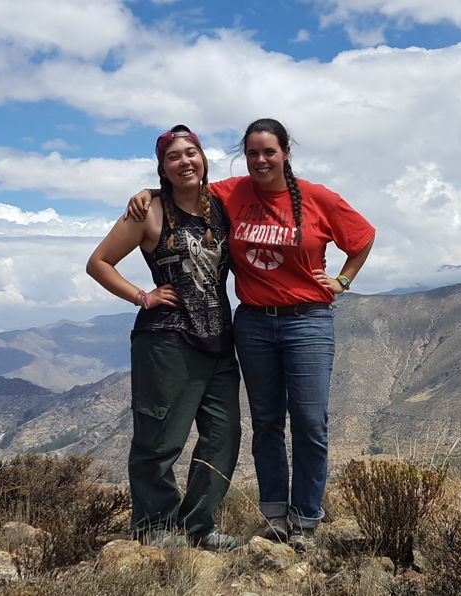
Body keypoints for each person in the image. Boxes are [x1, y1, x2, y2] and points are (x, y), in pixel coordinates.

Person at [126, 118, 375, 549]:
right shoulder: (231, 191)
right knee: (265, 424)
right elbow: (185, 185)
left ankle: (306, 520)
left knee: (311, 423)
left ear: (285, 153)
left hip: (308, 320)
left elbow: (363, 236)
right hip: (254, 323)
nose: (261, 160)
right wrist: (148, 193)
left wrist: (343, 280)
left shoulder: (317, 197)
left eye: (269, 152)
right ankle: (276, 516)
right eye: (253, 153)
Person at [86, 125, 241, 551]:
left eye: (192, 152)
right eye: (174, 156)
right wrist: (143, 296)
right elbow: (99, 262)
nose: (185, 161)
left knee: (224, 436)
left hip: (219, 339)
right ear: (163, 168)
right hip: (167, 340)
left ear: (204, 159)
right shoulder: (149, 211)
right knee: (160, 438)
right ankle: (153, 528)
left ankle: (199, 526)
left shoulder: (222, 205)